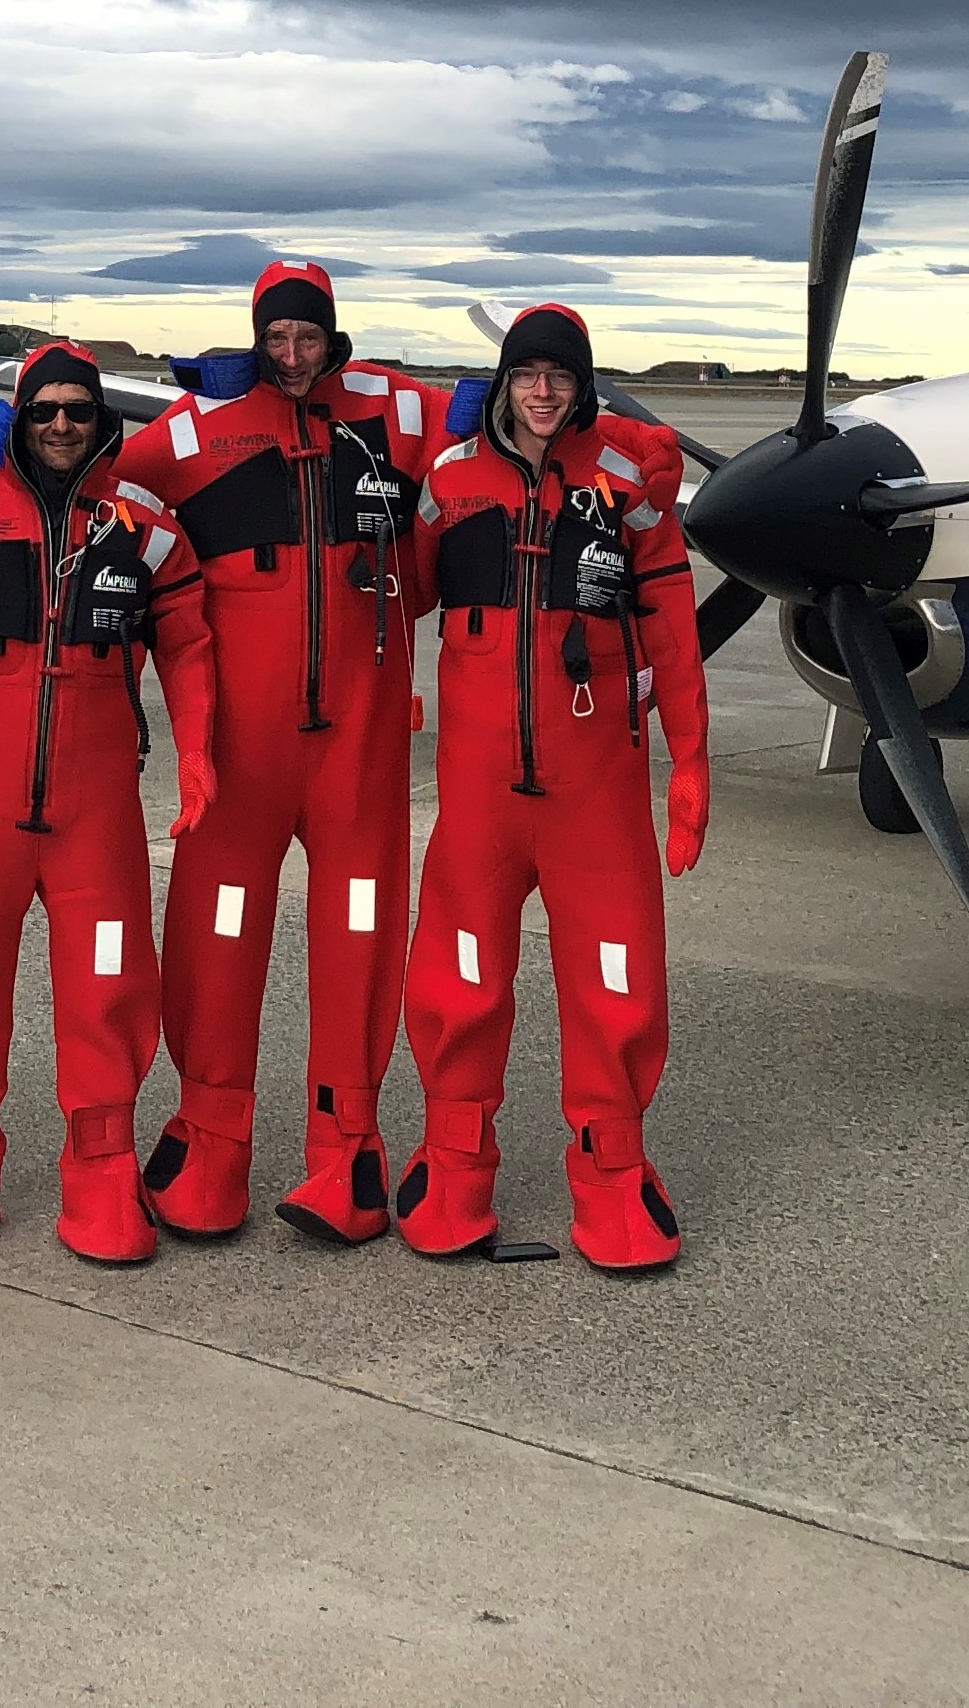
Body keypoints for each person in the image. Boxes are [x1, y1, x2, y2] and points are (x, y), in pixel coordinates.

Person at [115, 259, 442, 1242]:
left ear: (331, 335)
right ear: (255, 337)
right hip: (241, 756)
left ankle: (347, 1154)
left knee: (358, 935)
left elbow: (526, 409)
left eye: (309, 337)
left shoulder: (395, 413)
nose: (293, 356)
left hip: (359, 751)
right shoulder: (195, 431)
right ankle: (210, 1137)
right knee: (216, 936)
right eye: (277, 338)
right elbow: (86, 477)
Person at [0, 341, 218, 1264]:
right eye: (43, 410)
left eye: (77, 410)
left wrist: (196, 757)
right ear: (20, 419)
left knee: (109, 979)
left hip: (93, 810)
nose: (61, 424)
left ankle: (102, 1164)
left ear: (102, 420)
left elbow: (186, 642)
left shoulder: (142, 522)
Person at [395, 304, 712, 1272]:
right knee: (459, 980)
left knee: (617, 981)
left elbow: (672, 628)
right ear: (503, 383)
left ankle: (612, 1169)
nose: (543, 394)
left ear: (582, 387)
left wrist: (690, 765)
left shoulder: (628, 487)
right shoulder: (447, 482)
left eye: (561, 378)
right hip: (483, 796)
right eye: (527, 375)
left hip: (594, 791)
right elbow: (397, 594)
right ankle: (454, 1159)